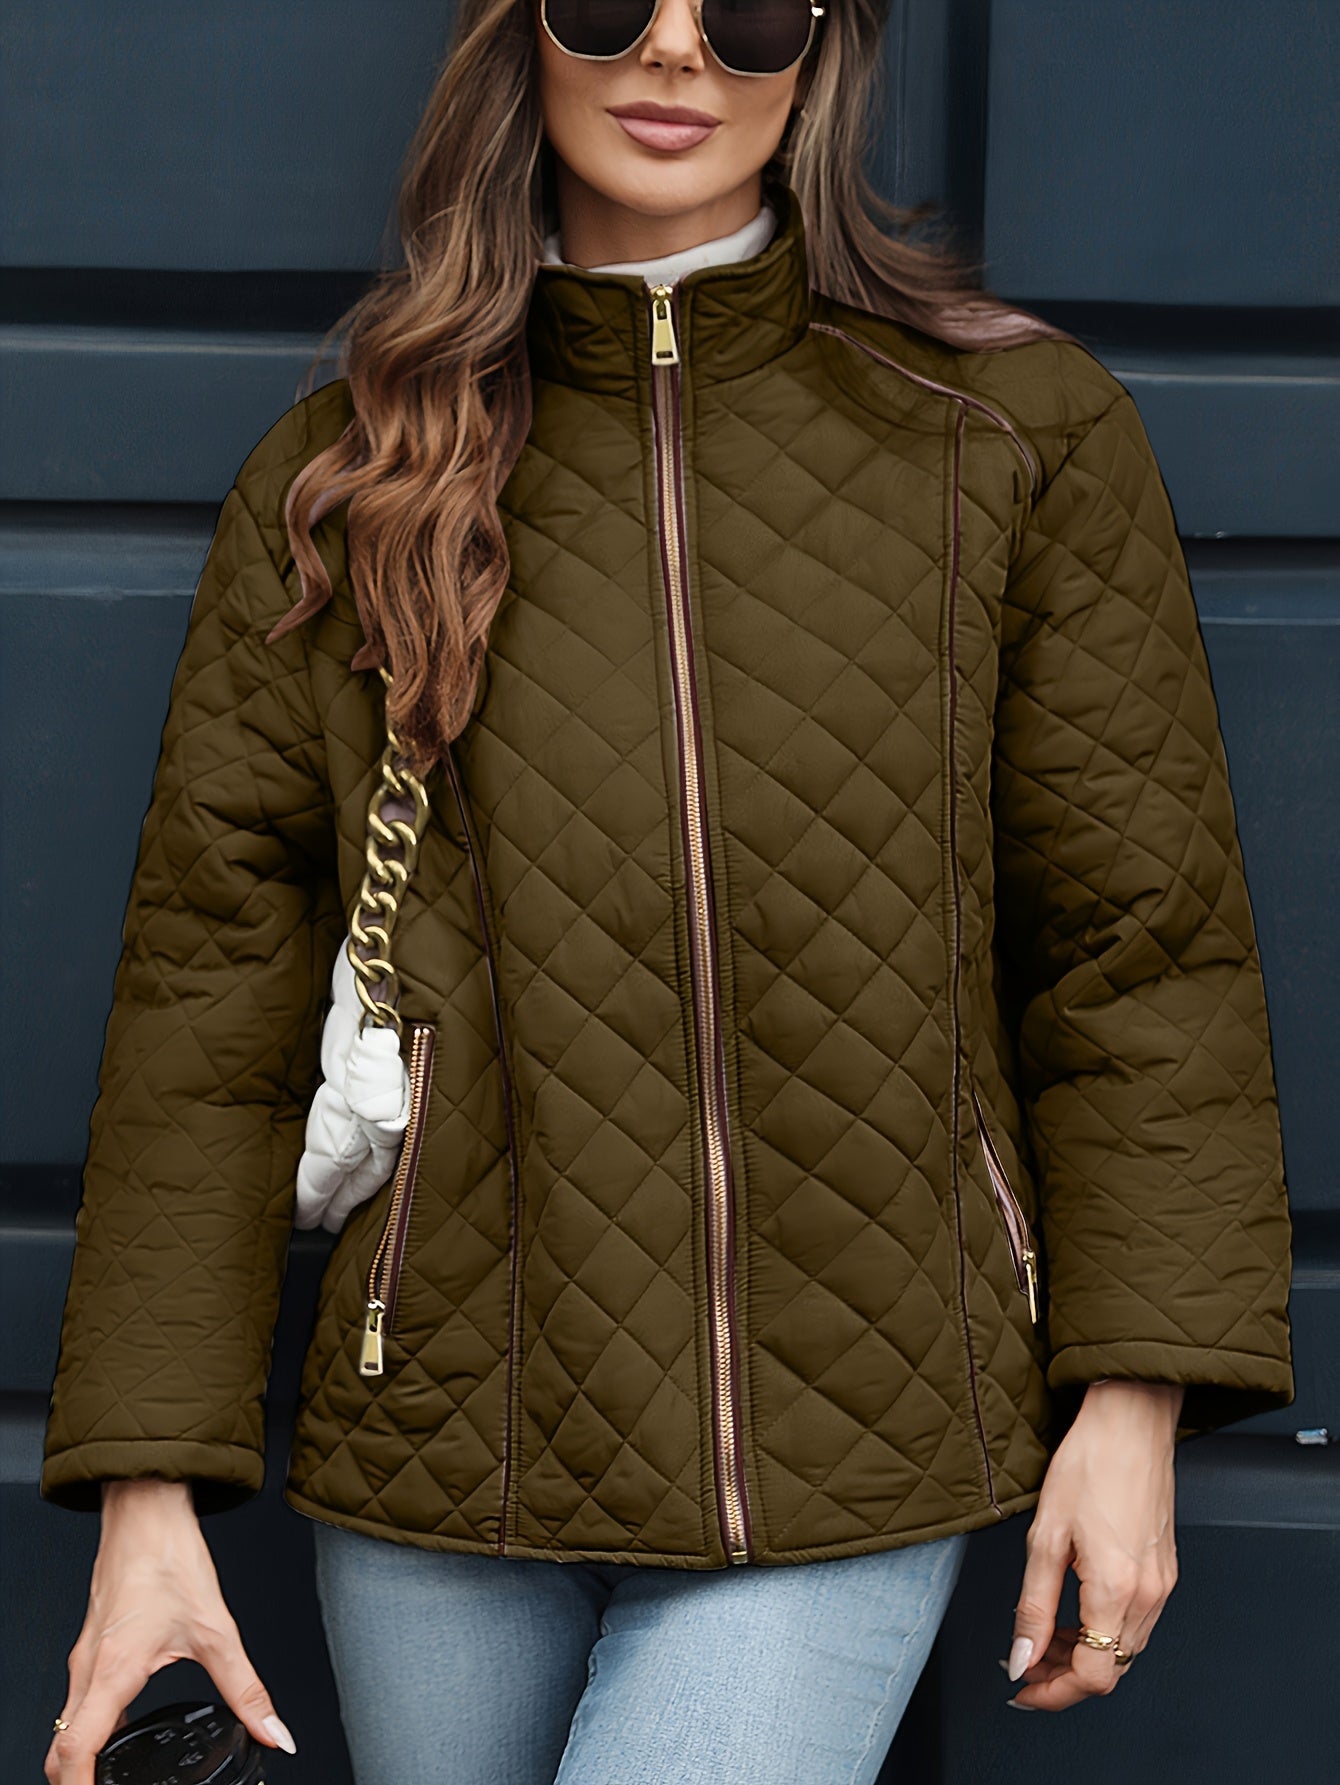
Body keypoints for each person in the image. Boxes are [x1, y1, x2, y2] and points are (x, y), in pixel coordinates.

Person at [40, 0, 1295, 1780]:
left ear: (822, 49)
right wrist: (146, 1492)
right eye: (613, 3)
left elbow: (1139, 954)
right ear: (524, 34)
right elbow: (205, 1017)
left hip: (860, 1426)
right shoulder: (343, 484)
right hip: (444, 1446)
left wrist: (1136, 1389)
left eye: (752, 11)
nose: (680, 52)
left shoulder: (1013, 437)